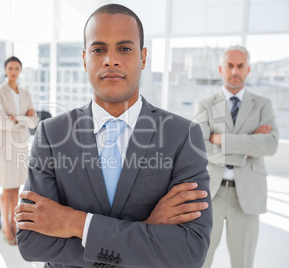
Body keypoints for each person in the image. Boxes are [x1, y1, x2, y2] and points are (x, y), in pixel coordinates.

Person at [14, 4, 212, 268]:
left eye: (125, 48)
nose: (111, 60)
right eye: (99, 50)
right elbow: (32, 243)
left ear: (143, 57)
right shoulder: (52, 134)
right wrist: (146, 229)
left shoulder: (183, 135)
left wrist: (75, 223)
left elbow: (190, 251)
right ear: (85, 59)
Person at [193, 46, 279, 268]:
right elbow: (198, 148)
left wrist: (221, 140)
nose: (235, 71)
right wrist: (247, 147)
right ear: (221, 69)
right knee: (200, 259)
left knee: (243, 263)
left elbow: (269, 144)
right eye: (230, 66)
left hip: (248, 195)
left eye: (240, 66)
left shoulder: (263, 105)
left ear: (248, 69)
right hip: (210, 193)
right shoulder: (204, 105)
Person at [0, 56, 38, 245]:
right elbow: (1, 123)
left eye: (17, 68)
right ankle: (6, 226)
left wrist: (15, 119)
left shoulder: (25, 93)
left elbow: (34, 121)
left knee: (17, 189)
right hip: (4, 147)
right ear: (5, 70)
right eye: (10, 68)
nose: (13, 71)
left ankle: (14, 223)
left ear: (20, 70)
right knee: (6, 190)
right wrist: (23, 119)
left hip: (20, 146)